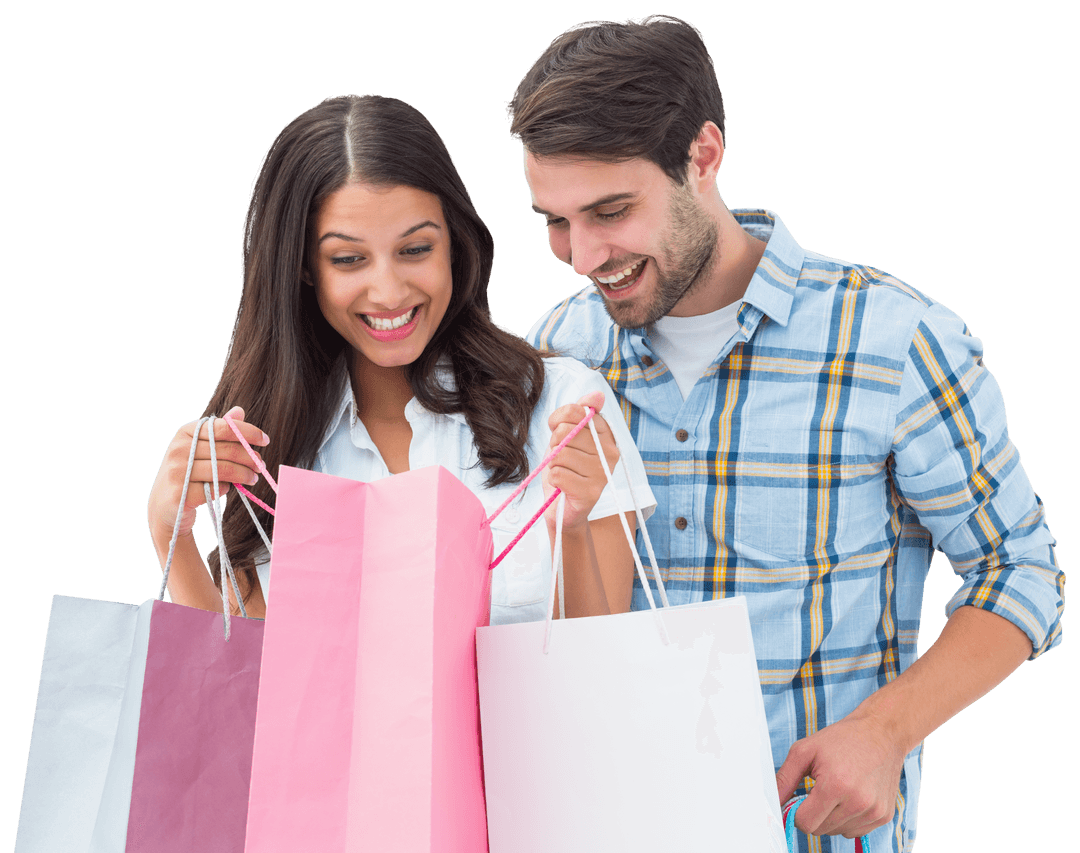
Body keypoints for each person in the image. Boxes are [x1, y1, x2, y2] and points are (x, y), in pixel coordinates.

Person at [512, 16, 1064, 853]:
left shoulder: (894, 341)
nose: (582, 253)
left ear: (702, 156)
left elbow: (1021, 571)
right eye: (554, 220)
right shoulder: (558, 349)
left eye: (610, 211)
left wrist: (887, 730)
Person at [146, 93, 655, 626]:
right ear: (302, 267)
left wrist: (570, 529)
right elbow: (236, 694)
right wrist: (171, 536)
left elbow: (597, 677)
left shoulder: (562, 406)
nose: (388, 292)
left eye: (416, 249)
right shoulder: (266, 445)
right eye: (348, 259)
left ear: (454, 246)